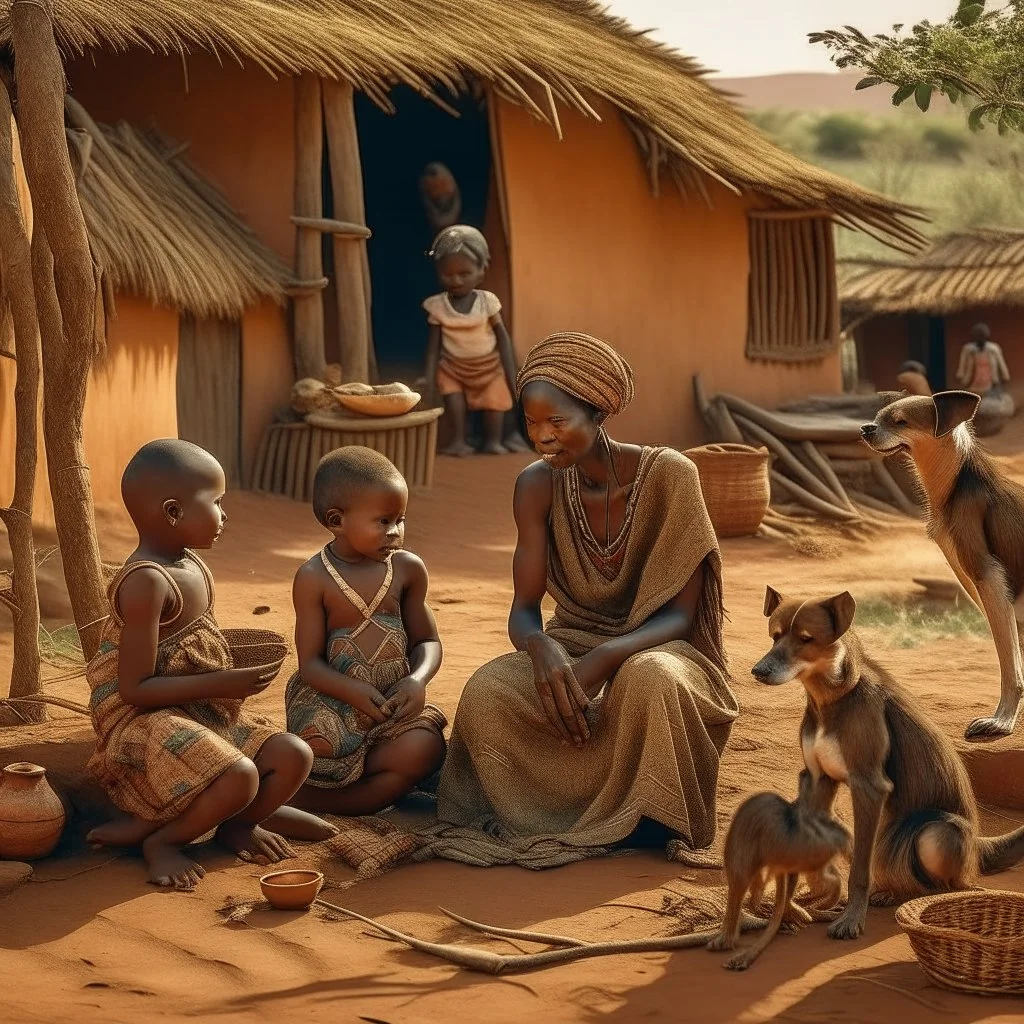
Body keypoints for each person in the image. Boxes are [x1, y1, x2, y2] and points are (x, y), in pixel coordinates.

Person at [436, 333, 739, 861]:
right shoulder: (536, 486)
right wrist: (540, 647)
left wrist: (605, 657)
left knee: (649, 679)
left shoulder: (671, 475)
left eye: (557, 421)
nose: (541, 437)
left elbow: (683, 615)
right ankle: (543, 816)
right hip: (571, 646)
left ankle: (647, 816)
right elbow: (525, 610)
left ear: (598, 413)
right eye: (531, 423)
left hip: (664, 651)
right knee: (487, 689)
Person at [85, 439, 335, 890]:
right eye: (216, 503)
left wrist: (224, 674)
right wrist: (224, 680)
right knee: (239, 776)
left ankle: (237, 825)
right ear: (174, 512)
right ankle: (162, 841)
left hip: (195, 713)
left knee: (294, 753)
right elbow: (135, 688)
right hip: (141, 724)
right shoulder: (146, 581)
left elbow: (191, 645)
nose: (224, 514)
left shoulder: (191, 564)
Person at [287, 447, 448, 815]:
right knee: (315, 745)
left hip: (392, 705)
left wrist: (417, 681)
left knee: (427, 748)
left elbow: (427, 641)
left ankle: (321, 800)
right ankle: (369, 789)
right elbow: (310, 664)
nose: (395, 532)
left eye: (401, 520)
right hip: (332, 704)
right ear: (336, 520)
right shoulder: (314, 578)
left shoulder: (407, 570)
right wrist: (354, 691)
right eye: (383, 521)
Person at [422, 225, 529, 457]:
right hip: (452, 369)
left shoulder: (487, 302)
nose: (456, 280)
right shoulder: (437, 306)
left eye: (465, 273)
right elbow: (433, 348)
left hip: (489, 369)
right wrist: (429, 379)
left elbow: (503, 340)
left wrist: (512, 376)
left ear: (482, 271)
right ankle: (458, 440)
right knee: (454, 404)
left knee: (495, 404)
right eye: (447, 274)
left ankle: (493, 441)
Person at [956, 323, 1010, 395]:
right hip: (973, 383)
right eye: (978, 336)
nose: (980, 338)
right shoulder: (968, 350)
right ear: (974, 337)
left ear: (987, 336)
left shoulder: (993, 349)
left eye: (982, 336)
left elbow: (1001, 364)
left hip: (990, 384)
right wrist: (961, 376)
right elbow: (962, 365)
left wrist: (1005, 376)